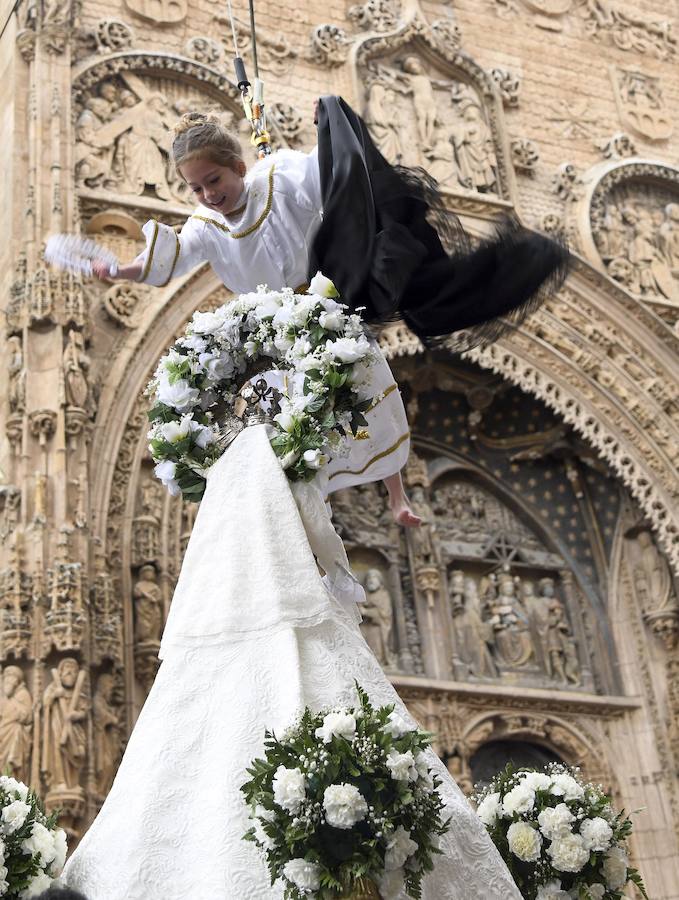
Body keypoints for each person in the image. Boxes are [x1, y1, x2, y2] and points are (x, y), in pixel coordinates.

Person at [92, 108, 419, 526]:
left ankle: (396, 495)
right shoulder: (206, 225)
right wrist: (121, 271)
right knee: (289, 417)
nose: (209, 195)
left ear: (239, 169)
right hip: (269, 325)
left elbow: (336, 181)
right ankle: (297, 517)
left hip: (322, 303)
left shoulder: (278, 177)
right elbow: (169, 256)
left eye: (214, 181)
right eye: (196, 188)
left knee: (365, 384)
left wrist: (328, 128)